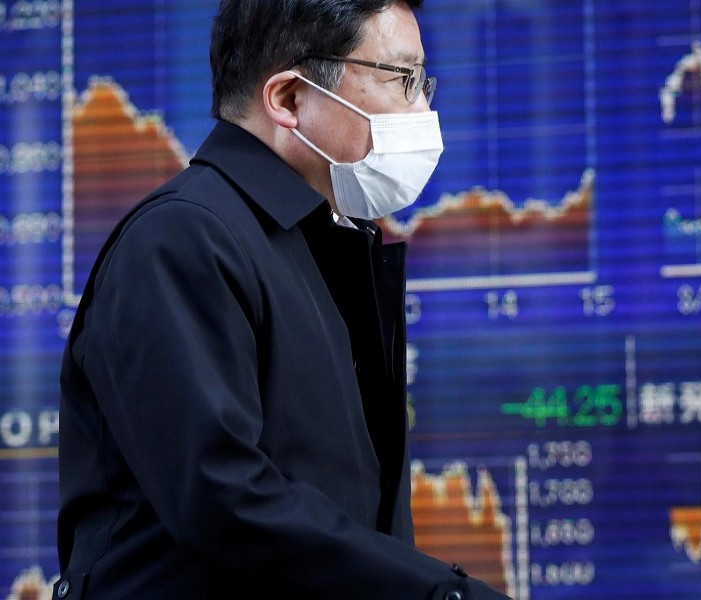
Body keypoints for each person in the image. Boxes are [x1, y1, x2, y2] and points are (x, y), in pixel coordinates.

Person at [54, 1, 513, 598]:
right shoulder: (181, 240)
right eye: (401, 79)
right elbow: (224, 499)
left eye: (422, 83)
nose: (422, 111)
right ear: (290, 99)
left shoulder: (322, 243)